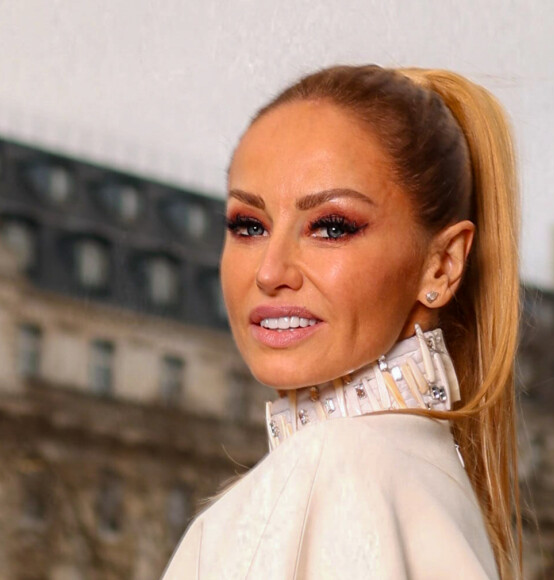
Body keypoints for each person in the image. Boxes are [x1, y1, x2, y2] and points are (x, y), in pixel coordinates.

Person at [162, 65, 521, 579]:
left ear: (441, 265)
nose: (269, 272)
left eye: (331, 227)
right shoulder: (424, 477)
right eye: (249, 225)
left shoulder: (337, 468)